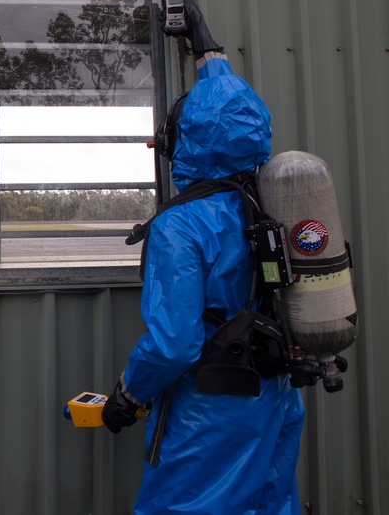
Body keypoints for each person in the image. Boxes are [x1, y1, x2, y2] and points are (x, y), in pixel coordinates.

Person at [101, 40, 305, 510]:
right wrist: (209, 50)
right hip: (275, 397)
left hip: (210, 412)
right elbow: (229, 119)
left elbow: (174, 343)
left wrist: (127, 395)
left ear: (181, 141)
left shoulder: (181, 224)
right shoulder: (265, 204)